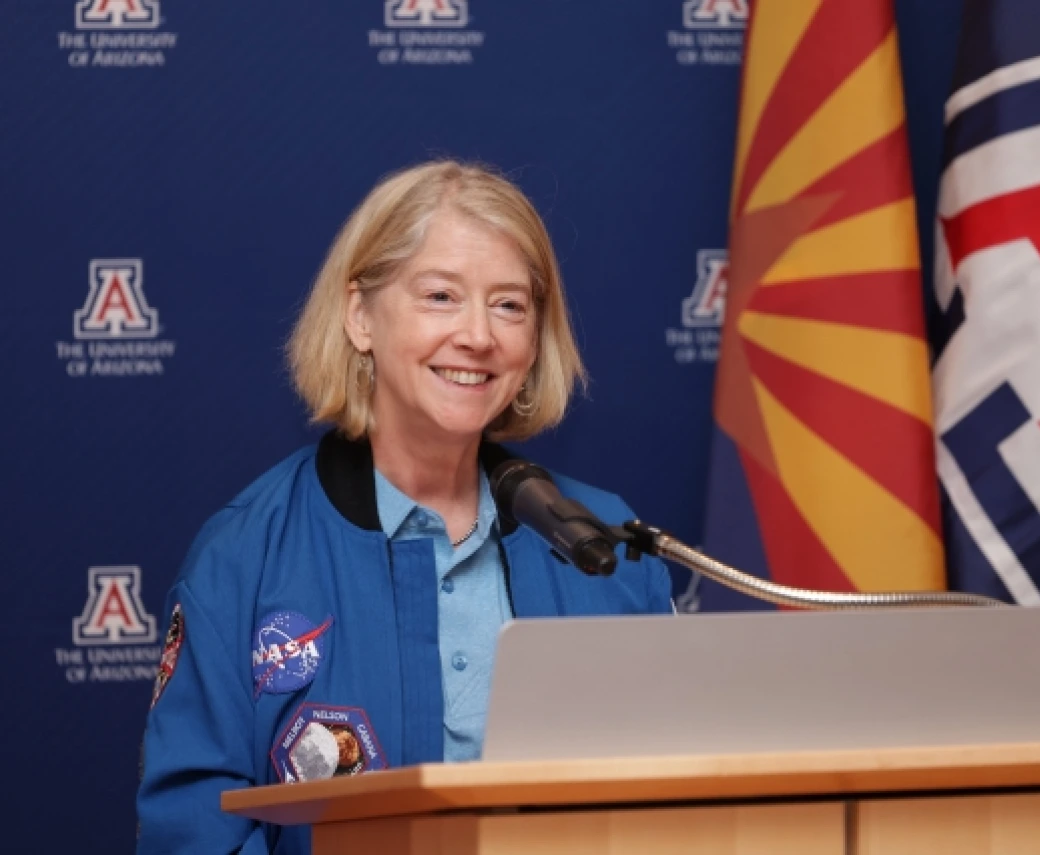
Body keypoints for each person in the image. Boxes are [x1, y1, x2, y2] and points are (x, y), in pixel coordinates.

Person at [135, 161, 674, 854]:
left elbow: (675, 809)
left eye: (509, 304)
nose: (478, 334)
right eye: (441, 296)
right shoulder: (244, 557)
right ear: (361, 316)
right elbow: (192, 832)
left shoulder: (606, 549)